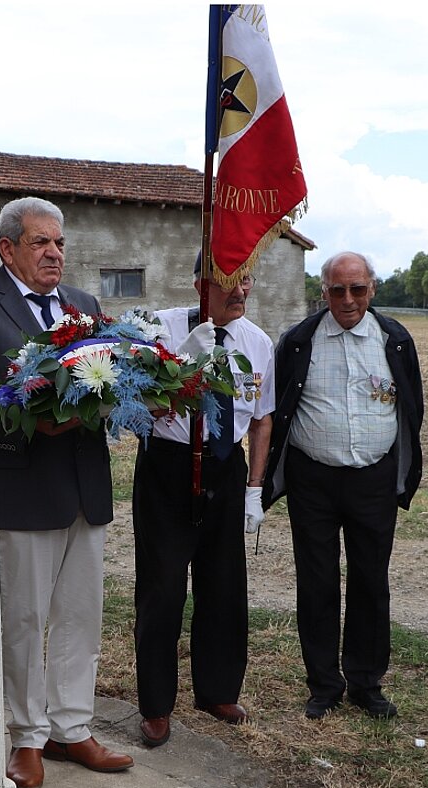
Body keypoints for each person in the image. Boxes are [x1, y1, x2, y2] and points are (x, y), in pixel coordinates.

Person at [0, 196, 132, 788]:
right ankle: (26, 738)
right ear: (8, 249)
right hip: (20, 487)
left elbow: (111, 377)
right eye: (41, 242)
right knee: (22, 617)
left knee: (80, 612)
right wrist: (37, 422)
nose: (54, 252)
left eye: (60, 243)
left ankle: (72, 727)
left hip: (84, 485)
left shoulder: (85, 306)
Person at [261, 251, 424, 719]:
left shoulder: (395, 338)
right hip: (313, 479)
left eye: (357, 289)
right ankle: (323, 685)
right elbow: (276, 409)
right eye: (337, 290)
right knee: (317, 582)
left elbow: (412, 406)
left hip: (373, 478)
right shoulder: (299, 341)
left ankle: (366, 683)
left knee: (371, 581)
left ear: (373, 289)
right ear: (323, 292)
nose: (348, 299)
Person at [131, 255, 275, 747]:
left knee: (223, 583)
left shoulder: (257, 343)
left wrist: (254, 487)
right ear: (199, 285)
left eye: (246, 281)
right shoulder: (160, 329)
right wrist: (183, 369)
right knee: (163, 586)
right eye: (228, 282)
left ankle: (216, 690)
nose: (241, 292)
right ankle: (156, 704)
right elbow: (138, 405)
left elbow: (261, 419)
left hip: (224, 466)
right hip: (168, 466)